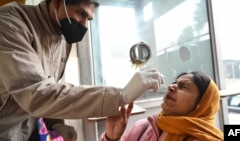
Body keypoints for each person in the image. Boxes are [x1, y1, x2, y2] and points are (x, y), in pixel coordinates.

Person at [0, 0, 165, 141]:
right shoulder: (11, 23)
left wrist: (55, 123)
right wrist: (120, 95)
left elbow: (49, 84)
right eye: (80, 14)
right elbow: (36, 94)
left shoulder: (62, 37)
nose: (84, 25)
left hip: (26, 129)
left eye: (89, 19)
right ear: (57, 2)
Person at [100, 71, 224, 141]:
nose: (171, 87)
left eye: (183, 86)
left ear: (202, 104)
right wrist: (111, 138)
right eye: (174, 83)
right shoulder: (144, 126)